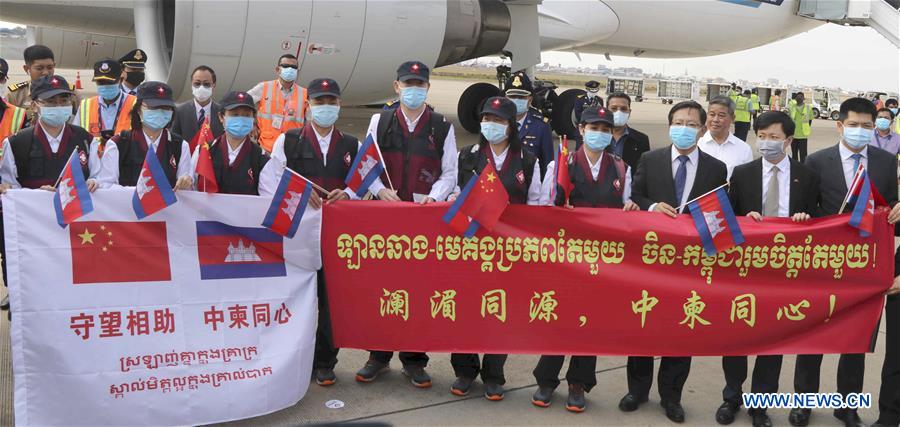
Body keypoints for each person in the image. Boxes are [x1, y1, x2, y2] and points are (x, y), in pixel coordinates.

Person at [791, 97, 900, 427]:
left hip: (865, 267)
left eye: (867, 126)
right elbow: (806, 208)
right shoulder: (817, 161)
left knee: (856, 339)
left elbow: (889, 206)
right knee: (813, 337)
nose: (860, 131)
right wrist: (801, 216)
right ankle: (804, 402)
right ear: (839, 125)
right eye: (853, 125)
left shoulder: (884, 162)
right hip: (824, 264)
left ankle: (847, 405)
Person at [355, 60, 457, 388]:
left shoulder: (441, 126)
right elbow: (365, 165)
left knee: (418, 290)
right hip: (386, 218)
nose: (414, 89)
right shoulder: (380, 121)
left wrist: (434, 197)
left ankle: (414, 359)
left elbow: (450, 172)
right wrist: (379, 190)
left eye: (420, 84)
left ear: (428, 87)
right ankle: (378, 355)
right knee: (383, 288)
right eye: (407, 83)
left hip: (421, 220)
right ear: (396, 86)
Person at [626, 100, 728, 423]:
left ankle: (671, 396)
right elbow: (636, 197)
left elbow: (719, 216)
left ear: (701, 130)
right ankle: (637, 390)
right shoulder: (650, 159)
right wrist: (652, 206)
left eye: (690, 123)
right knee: (643, 326)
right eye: (678, 122)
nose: (683, 128)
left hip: (690, 266)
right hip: (651, 261)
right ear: (670, 126)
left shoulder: (715, 168)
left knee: (682, 330)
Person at [531, 105, 638, 413]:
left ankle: (579, 382)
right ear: (581, 130)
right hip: (565, 259)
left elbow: (627, 205)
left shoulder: (620, 168)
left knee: (589, 321)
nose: (599, 134)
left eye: (605, 129)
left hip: (601, 261)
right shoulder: (562, 164)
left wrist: (631, 209)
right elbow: (542, 208)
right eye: (594, 128)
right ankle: (546, 379)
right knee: (559, 320)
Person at [719, 111, 819, 427]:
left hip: (784, 274)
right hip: (746, 270)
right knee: (737, 338)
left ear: (789, 141)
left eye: (774, 137)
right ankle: (731, 397)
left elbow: (818, 218)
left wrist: (806, 219)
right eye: (761, 136)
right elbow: (727, 220)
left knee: (772, 341)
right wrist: (745, 220)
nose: (766, 142)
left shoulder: (806, 175)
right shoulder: (743, 173)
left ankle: (760, 404)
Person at [260, 78, 359, 388]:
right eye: (319, 102)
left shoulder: (351, 144)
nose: (325, 108)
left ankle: (325, 362)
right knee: (298, 301)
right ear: (308, 106)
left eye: (331, 102)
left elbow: (362, 183)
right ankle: (291, 360)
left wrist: (349, 194)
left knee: (331, 302)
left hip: (335, 235)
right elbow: (270, 183)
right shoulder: (288, 141)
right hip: (298, 234)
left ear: (340, 105)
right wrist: (299, 195)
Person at [449, 97, 541, 402]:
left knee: (499, 312)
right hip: (470, 247)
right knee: (465, 311)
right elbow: (452, 192)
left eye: (499, 120)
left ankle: (493, 375)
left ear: (511, 125)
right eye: (487, 118)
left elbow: (538, 204)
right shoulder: (467, 156)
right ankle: (464, 370)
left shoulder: (527, 159)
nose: (492, 125)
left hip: (507, 253)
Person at [110, 81, 192, 190]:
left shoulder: (180, 146)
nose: (160, 112)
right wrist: (142, 193)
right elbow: (107, 185)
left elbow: (185, 190)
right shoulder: (119, 143)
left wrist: (186, 182)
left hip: (168, 207)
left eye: (166, 108)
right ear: (139, 109)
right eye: (154, 107)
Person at [191, 91, 266, 194]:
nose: (240, 119)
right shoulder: (204, 151)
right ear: (221, 117)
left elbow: (267, 199)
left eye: (246, 115)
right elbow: (191, 189)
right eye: (234, 114)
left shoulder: (261, 158)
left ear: (253, 119)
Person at [247, 54, 307, 152]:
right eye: (286, 66)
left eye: (294, 67)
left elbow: (309, 122)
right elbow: (242, 101)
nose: (290, 69)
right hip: (267, 147)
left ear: (297, 71)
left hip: (292, 149)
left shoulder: (304, 93)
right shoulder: (264, 87)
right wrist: (251, 123)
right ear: (277, 69)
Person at [73, 59, 136, 141]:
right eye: (100, 82)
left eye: (110, 82)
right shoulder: (85, 106)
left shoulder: (135, 103)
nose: (105, 85)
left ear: (120, 80)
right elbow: (76, 136)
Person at [504, 71, 552, 177]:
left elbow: (547, 165)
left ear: (529, 100)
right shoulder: (496, 123)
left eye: (521, 97)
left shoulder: (541, 126)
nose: (516, 100)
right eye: (512, 96)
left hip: (530, 187)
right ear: (506, 98)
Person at [6, 45, 71, 123]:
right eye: (39, 68)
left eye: (50, 67)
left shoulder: (68, 92)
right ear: (27, 69)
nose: (46, 72)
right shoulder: (15, 95)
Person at [698, 96, 753, 179]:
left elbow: (746, 180)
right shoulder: (696, 144)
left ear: (732, 118)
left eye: (721, 115)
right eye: (712, 114)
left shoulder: (744, 149)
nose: (715, 120)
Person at [172, 65, 224, 144]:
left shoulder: (222, 111)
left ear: (213, 85)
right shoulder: (179, 111)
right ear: (191, 85)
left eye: (206, 84)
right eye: (197, 83)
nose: (201, 87)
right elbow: (174, 139)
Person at [606, 92, 650, 169]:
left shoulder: (641, 139)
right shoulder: (596, 136)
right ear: (606, 110)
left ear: (629, 112)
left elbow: (643, 170)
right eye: (613, 108)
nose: (618, 112)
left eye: (623, 109)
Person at [788, 92, 813, 163]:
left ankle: (803, 169)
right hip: (794, 135)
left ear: (803, 98)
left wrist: (806, 128)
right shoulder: (792, 107)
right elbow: (790, 119)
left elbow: (810, 120)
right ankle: (795, 168)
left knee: (803, 155)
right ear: (795, 98)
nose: (799, 98)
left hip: (803, 135)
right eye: (797, 97)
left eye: (800, 97)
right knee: (794, 154)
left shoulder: (808, 108)